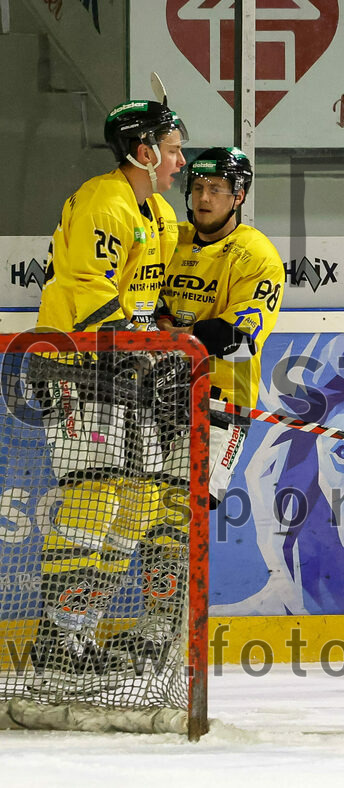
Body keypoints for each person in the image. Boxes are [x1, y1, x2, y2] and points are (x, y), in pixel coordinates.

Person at [29, 99, 188, 685]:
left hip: (127, 372)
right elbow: (85, 282)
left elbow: (154, 299)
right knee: (93, 495)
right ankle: (56, 640)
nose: (180, 162)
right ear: (144, 153)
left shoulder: (159, 215)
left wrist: (163, 342)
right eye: (171, 150)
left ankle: (81, 631)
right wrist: (132, 342)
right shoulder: (105, 200)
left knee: (138, 502)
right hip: (77, 366)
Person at [109, 147, 283, 660]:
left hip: (220, 405)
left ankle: (164, 634)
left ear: (239, 197)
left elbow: (239, 335)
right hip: (154, 393)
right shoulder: (173, 238)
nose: (204, 199)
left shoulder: (256, 254)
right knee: (137, 508)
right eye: (198, 188)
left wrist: (181, 331)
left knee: (177, 512)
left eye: (217, 191)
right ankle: (154, 629)